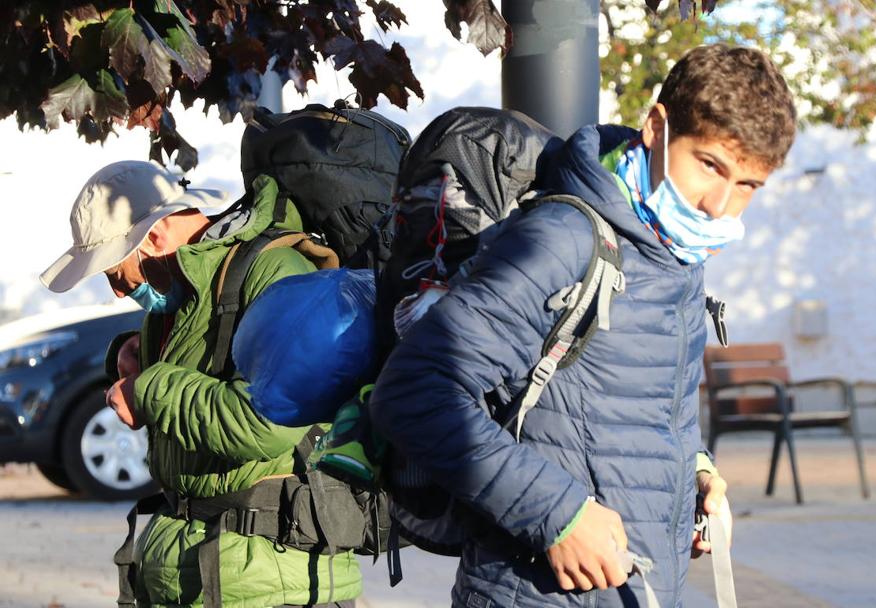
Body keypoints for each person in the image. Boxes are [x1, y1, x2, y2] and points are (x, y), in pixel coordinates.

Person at [368, 43, 796, 607]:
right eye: (710, 165)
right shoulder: (563, 237)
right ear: (656, 127)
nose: (720, 205)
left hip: (637, 589)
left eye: (748, 186)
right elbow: (413, 393)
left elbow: (647, 411)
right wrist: (558, 514)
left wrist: (695, 472)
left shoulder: (675, 257)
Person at [40, 161, 361, 607]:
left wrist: (149, 391)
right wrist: (130, 354)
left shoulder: (275, 273)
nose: (118, 293)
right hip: (203, 569)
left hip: (272, 582)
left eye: (117, 274)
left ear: (152, 237)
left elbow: (268, 420)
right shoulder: (187, 292)